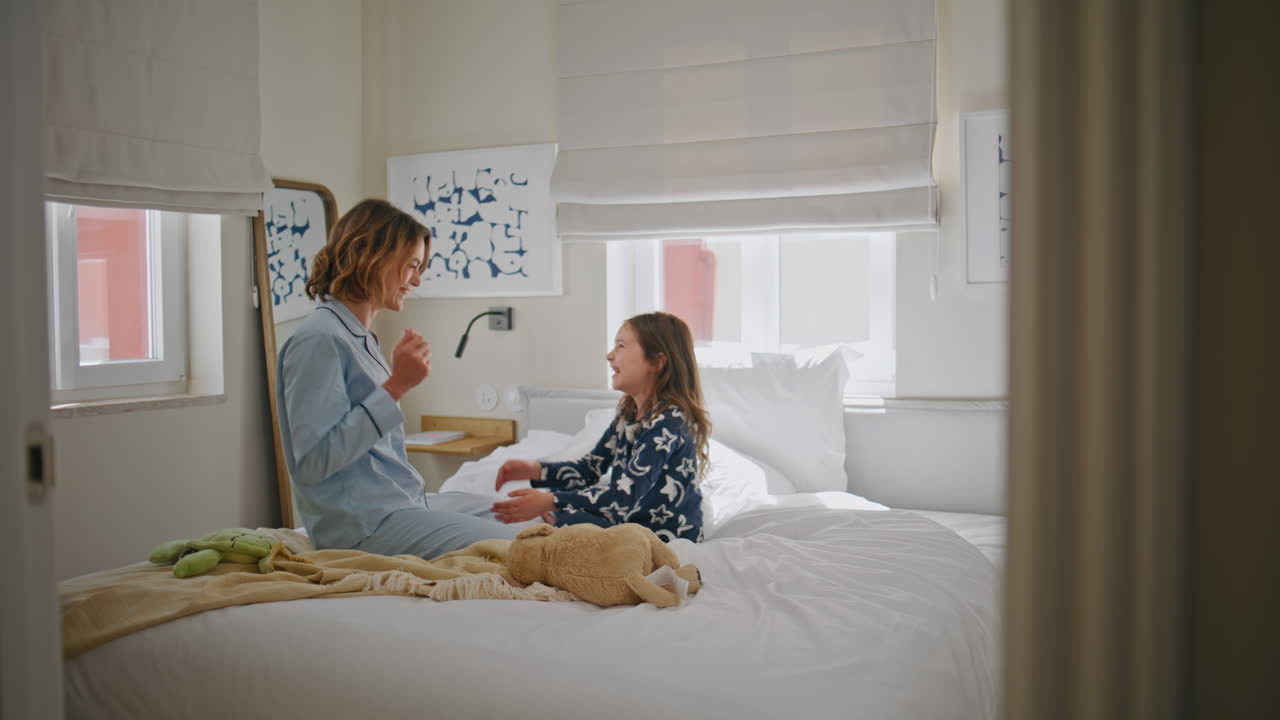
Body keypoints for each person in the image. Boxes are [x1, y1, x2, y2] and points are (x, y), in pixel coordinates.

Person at [276, 198, 516, 560]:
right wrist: (397, 386)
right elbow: (313, 462)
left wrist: (394, 384)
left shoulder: (356, 336)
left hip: (398, 507)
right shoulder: (319, 338)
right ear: (371, 255)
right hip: (362, 527)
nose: (417, 280)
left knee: (522, 521)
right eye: (412, 266)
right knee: (515, 548)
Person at [491, 312, 711, 542]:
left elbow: (625, 495)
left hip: (663, 536)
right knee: (559, 515)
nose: (609, 355)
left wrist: (552, 500)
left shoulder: (669, 422)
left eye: (621, 346)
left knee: (557, 517)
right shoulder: (629, 414)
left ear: (656, 362)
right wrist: (534, 470)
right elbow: (590, 468)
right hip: (630, 521)